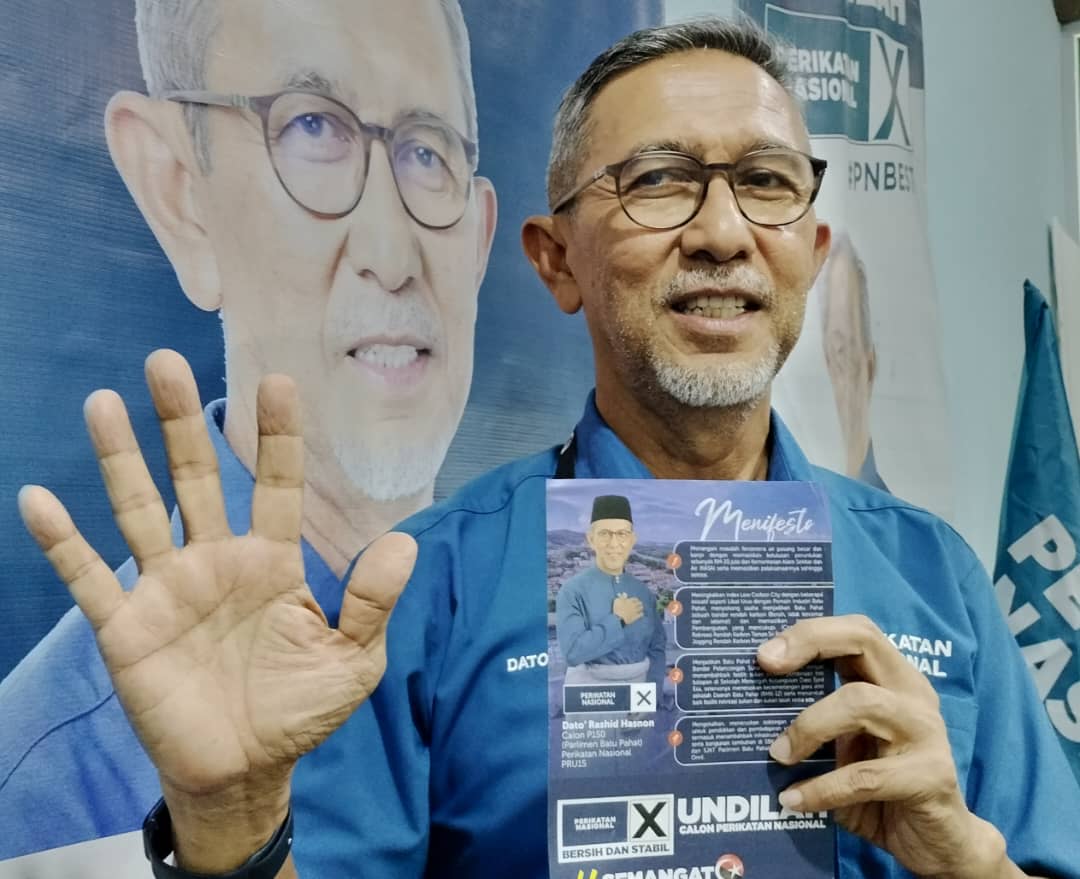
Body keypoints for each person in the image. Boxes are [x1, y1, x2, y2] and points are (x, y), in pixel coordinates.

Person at [15, 16, 1080, 879]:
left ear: (812, 248)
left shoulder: (936, 575)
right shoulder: (422, 591)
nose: (722, 232)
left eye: (766, 181)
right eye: (658, 180)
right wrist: (234, 824)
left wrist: (970, 860)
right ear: (555, 260)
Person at [0, 0, 496, 861]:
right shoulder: (47, 784)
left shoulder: (563, 628)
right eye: (313, 127)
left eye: (426, 151)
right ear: (177, 193)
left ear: (480, 239)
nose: (392, 251)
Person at [556, 495, 665, 687]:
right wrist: (618, 619)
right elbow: (573, 653)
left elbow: (657, 648)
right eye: (605, 534)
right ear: (591, 539)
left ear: (632, 540)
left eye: (622, 534)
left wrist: (653, 691)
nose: (614, 543)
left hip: (640, 689)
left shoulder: (644, 592)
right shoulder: (572, 591)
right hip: (591, 692)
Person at [819, 231, 888, 489]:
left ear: (869, 368)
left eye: (844, 352)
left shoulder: (886, 513)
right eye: (831, 356)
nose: (833, 377)